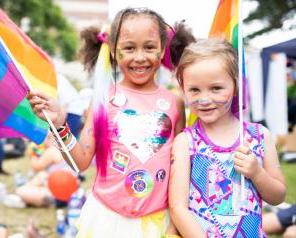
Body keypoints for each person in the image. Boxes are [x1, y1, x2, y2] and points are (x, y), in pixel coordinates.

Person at [28, 7, 194, 237]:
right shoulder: (103, 100)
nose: (139, 57)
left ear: (162, 49)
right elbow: (80, 162)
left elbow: (179, 170)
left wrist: (175, 223)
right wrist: (58, 124)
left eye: (149, 47)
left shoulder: (175, 103)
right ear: (114, 52)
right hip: (108, 220)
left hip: (157, 222)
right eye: (129, 48)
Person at [168, 38, 287, 237]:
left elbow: (278, 196)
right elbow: (178, 207)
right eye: (194, 90)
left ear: (235, 86)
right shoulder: (185, 142)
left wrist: (257, 173)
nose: (204, 99)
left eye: (216, 88)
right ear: (183, 88)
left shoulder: (259, 136)